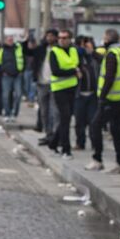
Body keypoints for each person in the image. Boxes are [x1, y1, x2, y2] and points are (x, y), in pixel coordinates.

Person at [87, 29, 120, 173]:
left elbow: (109, 76)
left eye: (104, 37)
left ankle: (97, 160)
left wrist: (102, 97)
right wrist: (92, 52)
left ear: (108, 39)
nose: (102, 40)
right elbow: (103, 61)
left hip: (110, 99)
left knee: (94, 126)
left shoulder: (112, 54)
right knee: (116, 130)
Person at [44, 29, 80, 157]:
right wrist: (73, 71)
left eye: (65, 38)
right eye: (60, 38)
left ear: (70, 39)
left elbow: (78, 64)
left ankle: (53, 143)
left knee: (67, 117)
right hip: (59, 89)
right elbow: (56, 71)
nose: (62, 40)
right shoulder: (54, 52)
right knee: (65, 117)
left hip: (72, 88)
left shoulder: (74, 50)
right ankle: (66, 149)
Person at [74, 35, 98, 154]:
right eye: (84, 43)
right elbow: (77, 53)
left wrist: (91, 50)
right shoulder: (76, 55)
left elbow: (100, 58)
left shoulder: (93, 58)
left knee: (93, 120)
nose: (87, 45)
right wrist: (82, 48)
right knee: (79, 121)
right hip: (80, 94)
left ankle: (94, 143)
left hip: (93, 94)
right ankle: (80, 142)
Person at [34, 28, 58, 136]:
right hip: (41, 83)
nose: (49, 38)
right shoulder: (41, 49)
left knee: (54, 111)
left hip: (54, 84)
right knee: (44, 110)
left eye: (52, 36)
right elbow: (28, 52)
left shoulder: (59, 50)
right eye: (48, 36)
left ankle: (54, 132)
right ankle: (47, 132)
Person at [0, 35, 25, 119]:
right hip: (6, 76)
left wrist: (22, 70)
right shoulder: (2, 49)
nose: (10, 41)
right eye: (8, 40)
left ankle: (14, 113)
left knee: (18, 95)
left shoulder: (18, 48)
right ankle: (7, 113)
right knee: (6, 95)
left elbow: (23, 58)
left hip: (17, 75)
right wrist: (3, 70)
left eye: (11, 40)